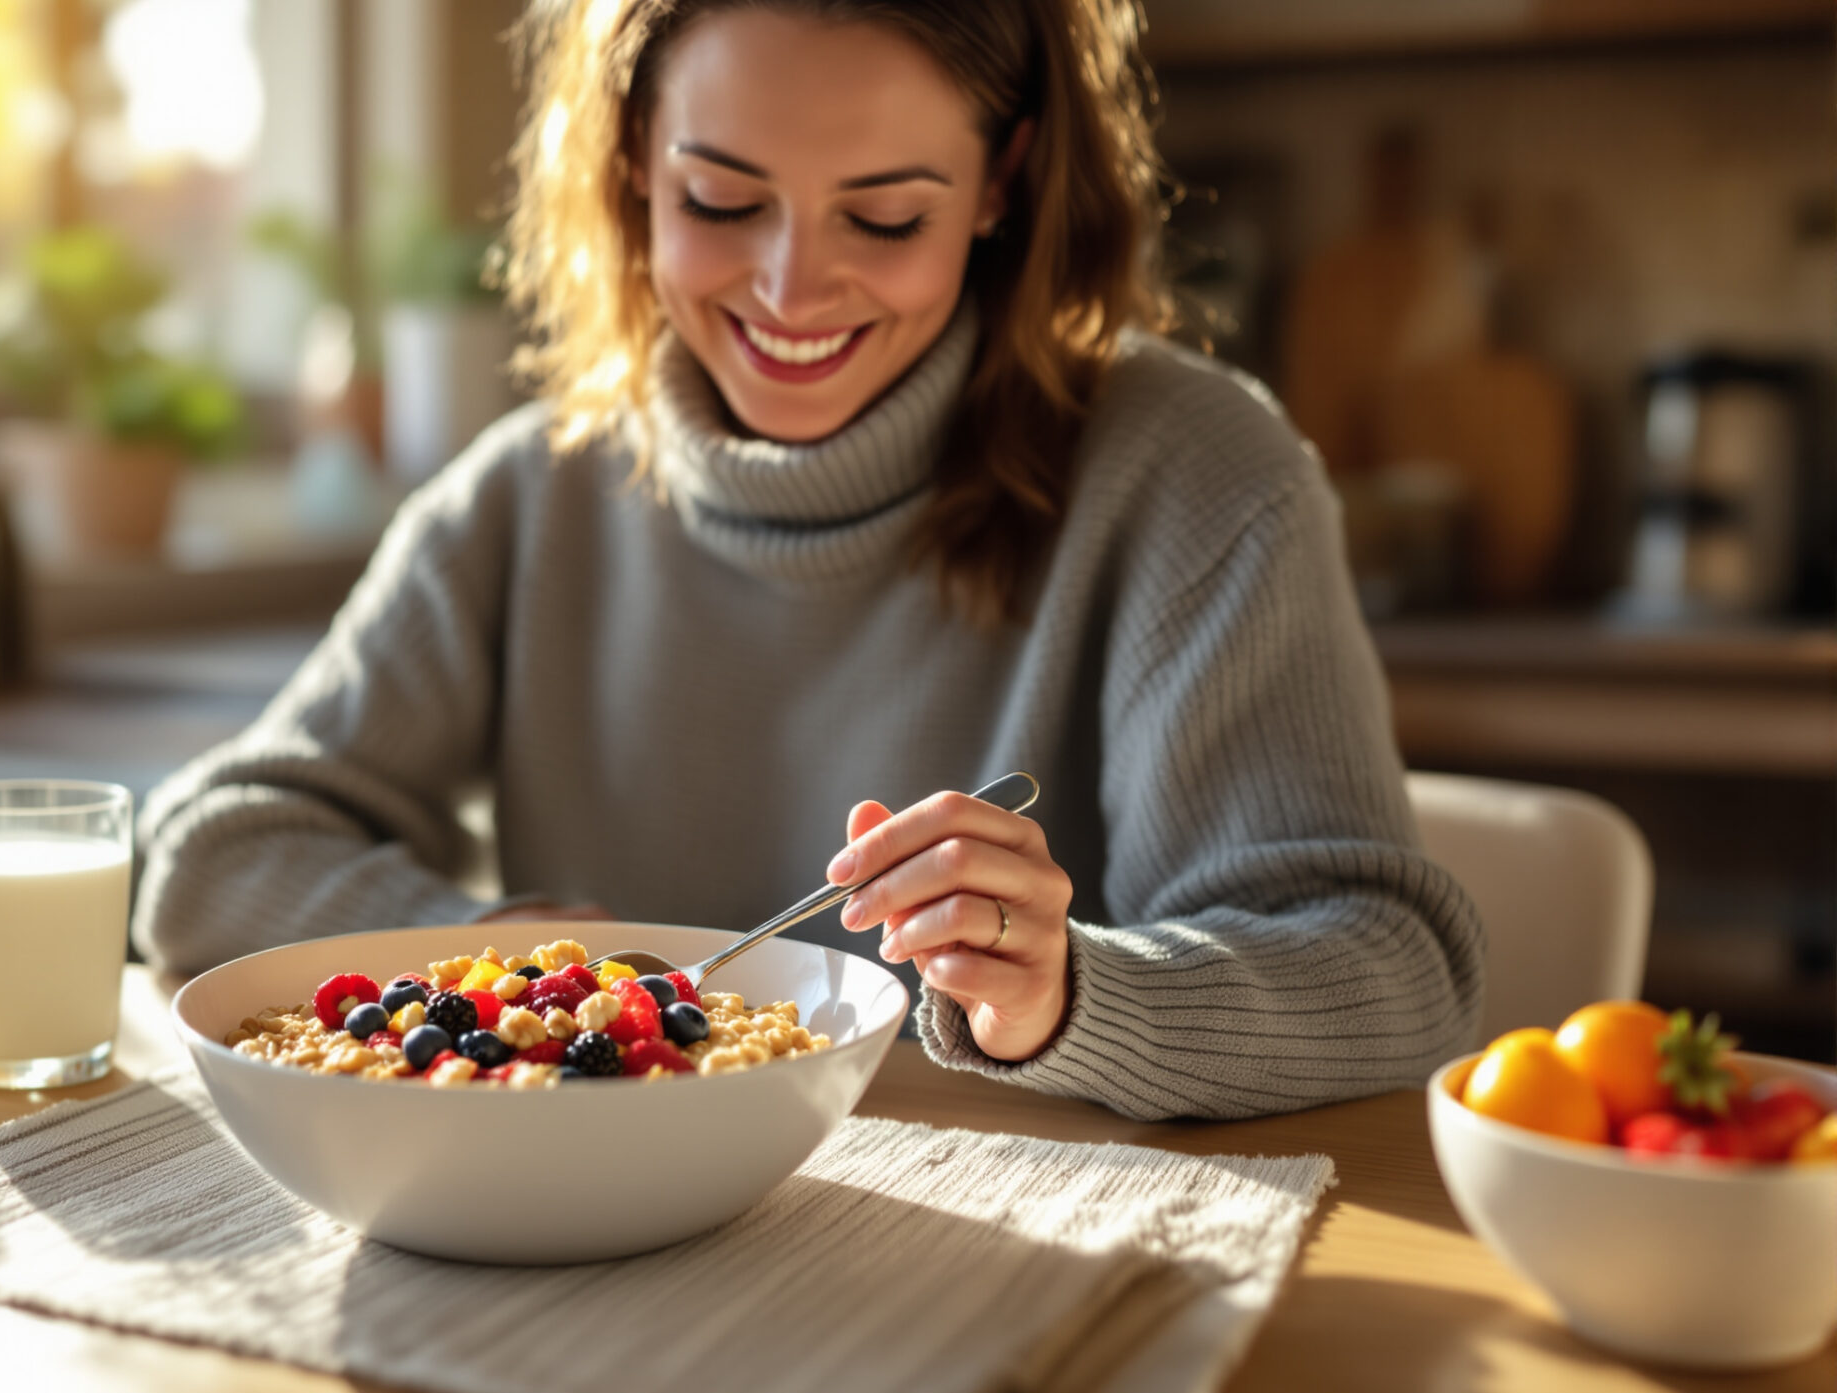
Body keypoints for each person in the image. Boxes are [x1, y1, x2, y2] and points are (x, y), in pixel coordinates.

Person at [131, 0, 1483, 1120]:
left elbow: (1391, 968)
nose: (789, 290)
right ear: (635, 164)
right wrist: (491, 960)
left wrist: (1065, 991)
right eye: (723, 199)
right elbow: (205, 855)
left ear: (1002, 185)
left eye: (884, 219)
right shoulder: (531, 491)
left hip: (1023, 1259)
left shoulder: (1193, 475)